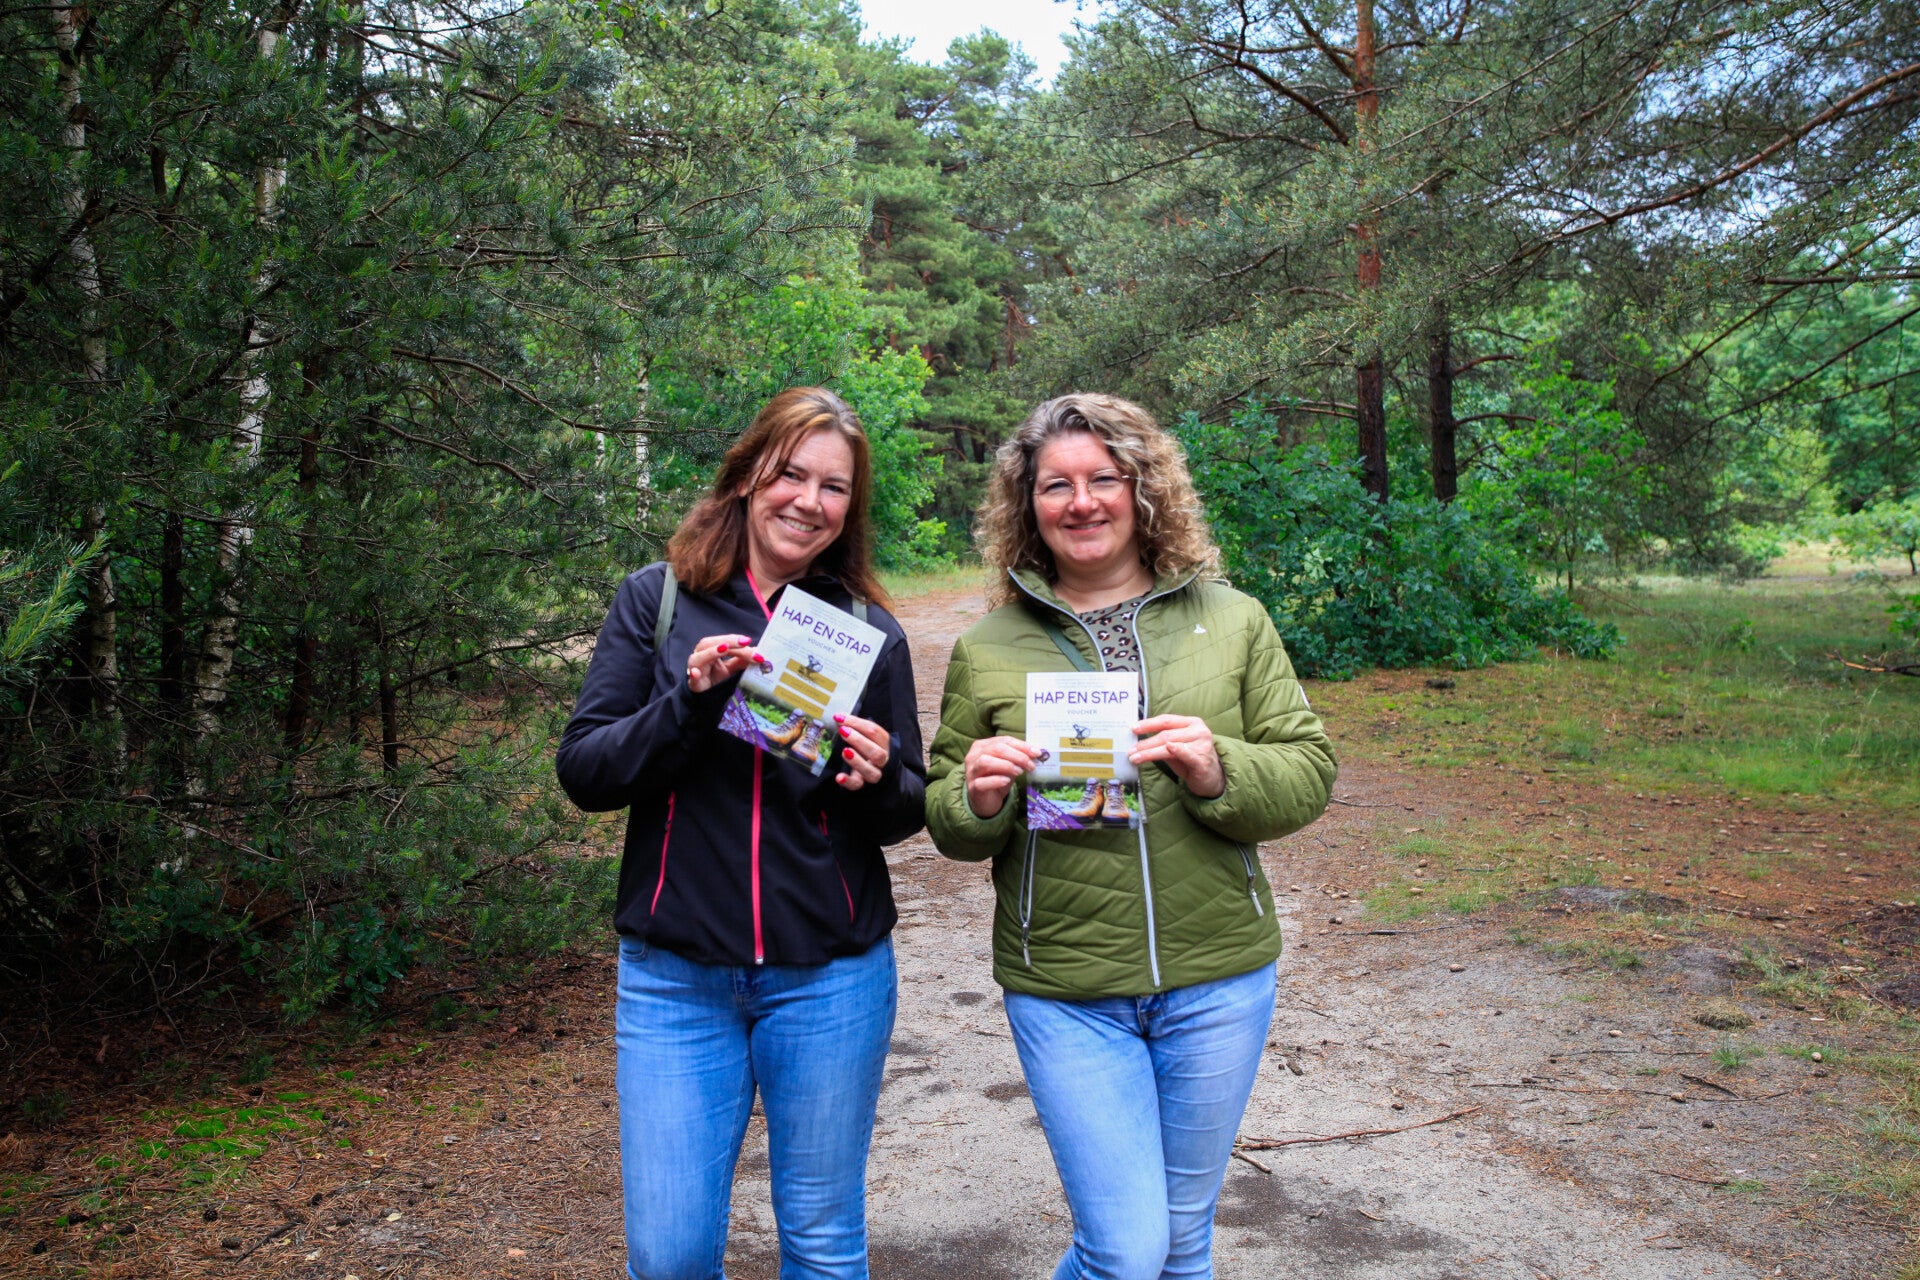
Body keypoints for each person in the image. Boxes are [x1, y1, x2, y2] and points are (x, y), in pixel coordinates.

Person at [924, 393, 1336, 1280]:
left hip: (1219, 979)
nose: (1081, 502)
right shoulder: (990, 647)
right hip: (1066, 987)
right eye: (1056, 485)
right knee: (1124, 1250)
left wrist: (1217, 767)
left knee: (1183, 1245)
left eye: (1103, 479)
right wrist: (979, 796)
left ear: (1143, 489)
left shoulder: (1234, 620)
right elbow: (949, 820)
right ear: (1027, 504)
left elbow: (1308, 772)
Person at [556, 387, 926, 1280]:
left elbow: (906, 808)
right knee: (671, 1257)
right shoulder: (656, 601)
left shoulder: (867, 631)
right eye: (791, 473)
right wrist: (687, 705)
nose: (809, 500)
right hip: (675, 982)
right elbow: (586, 773)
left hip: (830, 978)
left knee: (823, 1243)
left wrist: (877, 775)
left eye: (834, 486)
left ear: (850, 508)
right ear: (746, 476)